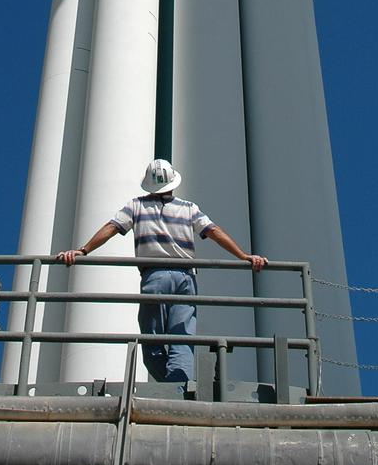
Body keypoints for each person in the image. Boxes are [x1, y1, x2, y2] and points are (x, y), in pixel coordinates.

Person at [58, 158, 266, 385]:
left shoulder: (135, 206)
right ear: (174, 183)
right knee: (182, 338)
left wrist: (83, 250)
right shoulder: (188, 208)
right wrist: (244, 256)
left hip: (153, 278)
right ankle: (178, 387)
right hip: (185, 278)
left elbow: (112, 227)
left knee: (152, 341)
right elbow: (213, 231)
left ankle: (171, 386)